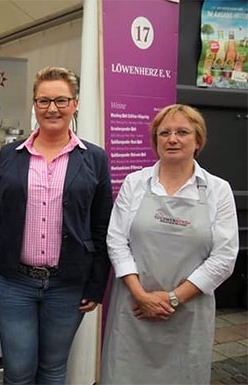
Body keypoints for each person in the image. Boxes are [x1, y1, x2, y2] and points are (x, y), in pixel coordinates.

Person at [0, 66, 113, 385]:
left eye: (61, 100)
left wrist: (96, 285)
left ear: (75, 104)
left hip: (68, 286)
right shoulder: (10, 155)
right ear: (35, 105)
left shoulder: (94, 158)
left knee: (53, 369)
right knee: (18, 370)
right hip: (13, 284)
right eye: (44, 101)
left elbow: (102, 226)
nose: (52, 108)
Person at [101, 104, 239, 385]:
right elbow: (116, 241)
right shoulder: (135, 183)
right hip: (134, 307)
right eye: (164, 133)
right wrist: (141, 295)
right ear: (155, 141)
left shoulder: (218, 190)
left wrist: (172, 298)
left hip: (187, 312)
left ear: (198, 141)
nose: (172, 139)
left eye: (182, 132)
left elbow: (224, 257)